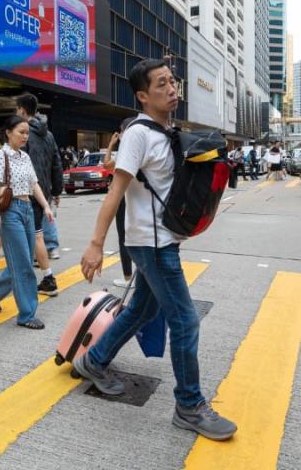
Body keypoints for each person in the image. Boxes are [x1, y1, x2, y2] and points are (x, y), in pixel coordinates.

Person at [76, 59, 237, 441]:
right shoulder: (138, 134)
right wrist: (96, 244)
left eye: (173, 81)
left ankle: (94, 362)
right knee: (185, 321)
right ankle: (189, 406)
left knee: (142, 309)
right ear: (142, 95)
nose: (172, 88)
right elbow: (116, 190)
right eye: (162, 83)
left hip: (160, 239)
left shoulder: (165, 129)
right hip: (151, 243)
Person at [0, 115, 55, 329]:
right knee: (24, 264)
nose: (25, 136)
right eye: (21, 132)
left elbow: (34, 184)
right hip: (10, 211)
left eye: (27, 133)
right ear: (8, 132)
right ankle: (26, 314)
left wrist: (45, 206)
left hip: (27, 210)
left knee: (21, 258)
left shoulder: (24, 156)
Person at [15, 93, 64, 296]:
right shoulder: (49, 134)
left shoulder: (23, 134)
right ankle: (44, 271)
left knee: (34, 236)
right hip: (43, 190)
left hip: (25, 193)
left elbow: (19, 164)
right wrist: (57, 190)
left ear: (22, 110)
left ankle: (46, 277)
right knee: (36, 234)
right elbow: (57, 163)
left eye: (17, 109)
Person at [103, 122, 135, 288]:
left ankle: (128, 277)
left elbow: (106, 163)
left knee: (124, 237)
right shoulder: (135, 150)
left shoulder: (124, 153)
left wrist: (111, 144)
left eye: (122, 131)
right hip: (136, 199)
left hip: (123, 198)